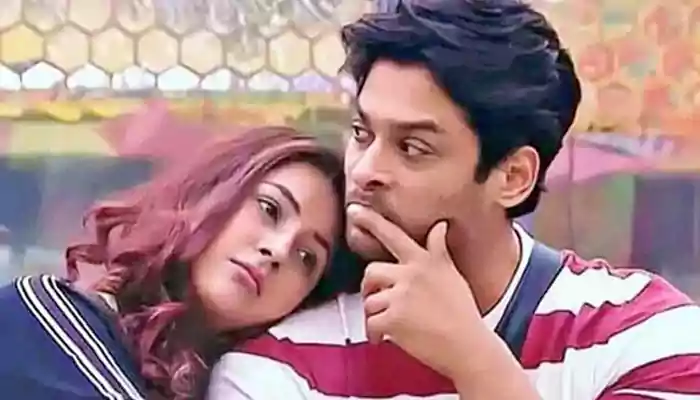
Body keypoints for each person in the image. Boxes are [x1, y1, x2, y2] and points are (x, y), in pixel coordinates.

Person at [207, 0, 700, 399]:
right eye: (361, 133)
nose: (365, 170)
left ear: (513, 177)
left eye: (412, 148)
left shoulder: (644, 335)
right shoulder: (278, 367)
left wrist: (473, 359)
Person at [0, 126, 349, 399]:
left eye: (307, 257)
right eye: (270, 209)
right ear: (212, 191)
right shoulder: (39, 319)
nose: (279, 250)